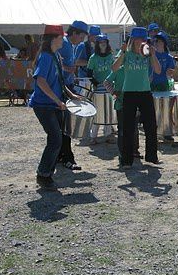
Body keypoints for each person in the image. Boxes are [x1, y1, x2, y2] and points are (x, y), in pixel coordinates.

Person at [29, 25, 85, 189]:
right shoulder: (46, 57)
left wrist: (71, 96)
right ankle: (43, 174)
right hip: (43, 105)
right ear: (54, 39)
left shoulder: (55, 56)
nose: (63, 40)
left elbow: (60, 82)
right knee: (55, 139)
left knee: (56, 139)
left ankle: (47, 172)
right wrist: (57, 101)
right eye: (61, 37)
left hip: (53, 104)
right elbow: (40, 81)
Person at [111, 27, 161, 168]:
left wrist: (153, 55)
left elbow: (158, 70)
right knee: (128, 127)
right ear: (133, 40)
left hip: (145, 92)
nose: (142, 42)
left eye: (143, 40)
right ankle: (126, 159)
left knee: (151, 125)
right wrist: (123, 53)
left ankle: (152, 157)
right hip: (129, 92)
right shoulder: (126, 53)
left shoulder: (146, 52)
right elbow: (114, 68)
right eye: (139, 39)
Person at [56, 21, 88, 169]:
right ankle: (67, 158)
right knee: (65, 125)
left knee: (63, 125)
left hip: (68, 85)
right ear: (74, 33)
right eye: (81, 36)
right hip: (61, 88)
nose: (82, 40)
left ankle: (60, 155)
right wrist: (66, 68)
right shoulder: (63, 43)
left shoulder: (70, 45)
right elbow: (54, 60)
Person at [104, 40, 141, 167]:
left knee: (134, 129)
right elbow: (106, 82)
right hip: (121, 105)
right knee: (122, 131)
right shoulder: (118, 71)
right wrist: (114, 93)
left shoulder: (137, 70)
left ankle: (134, 151)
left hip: (135, 104)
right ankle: (122, 155)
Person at [87, 34, 116, 144]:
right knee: (98, 112)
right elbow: (89, 73)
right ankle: (93, 136)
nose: (103, 44)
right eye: (100, 42)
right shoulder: (93, 58)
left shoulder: (110, 56)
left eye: (105, 42)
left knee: (109, 111)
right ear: (97, 44)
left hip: (109, 87)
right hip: (98, 88)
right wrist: (96, 83)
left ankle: (108, 135)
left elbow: (114, 70)